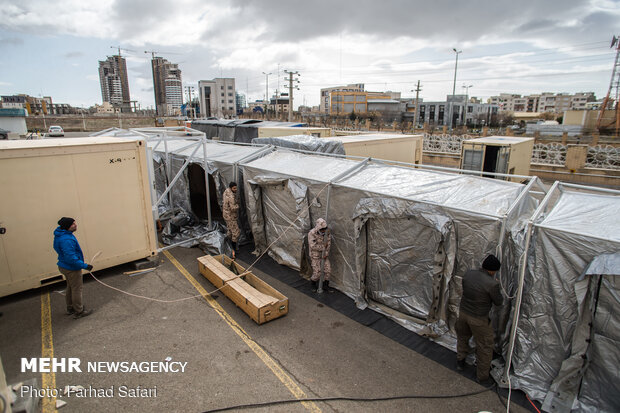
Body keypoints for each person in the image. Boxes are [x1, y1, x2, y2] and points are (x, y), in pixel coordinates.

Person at [456, 254, 503, 385]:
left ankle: (460, 361)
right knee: (485, 346)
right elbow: (498, 302)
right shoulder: (492, 284)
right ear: (492, 270)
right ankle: (482, 376)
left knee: (462, 337)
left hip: (463, 313)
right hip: (478, 318)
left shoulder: (468, 274)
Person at [53, 217, 93, 319]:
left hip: (63, 266)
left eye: (75, 223)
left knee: (70, 287)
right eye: (73, 224)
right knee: (76, 289)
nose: (75, 225)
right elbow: (71, 258)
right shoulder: (66, 239)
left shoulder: (60, 235)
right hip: (71, 268)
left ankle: (70, 307)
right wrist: (85, 266)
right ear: (67, 227)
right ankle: (79, 311)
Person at [308, 218, 332, 292]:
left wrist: (326, 253)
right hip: (315, 255)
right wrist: (323, 247)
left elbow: (328, 244)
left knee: (328, 270)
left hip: (324, 255)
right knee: (317, 273)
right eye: (322, 229)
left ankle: (325, 286)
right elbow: (313, 246)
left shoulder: (327, 233)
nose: (324, 230)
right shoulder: (312, 233)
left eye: (325, 228)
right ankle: (313, 284)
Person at [223, 182, 241, 254]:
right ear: (231, 188)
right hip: (230, 216)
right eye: (234, 188)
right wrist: (238, 205)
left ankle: (228, 245)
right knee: (236, 232)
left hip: (226, 214)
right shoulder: (231, 197)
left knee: (230, 230)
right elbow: (233, 208)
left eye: (236, 188)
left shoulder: (226, 191)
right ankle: (233, 248)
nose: (235, 189)